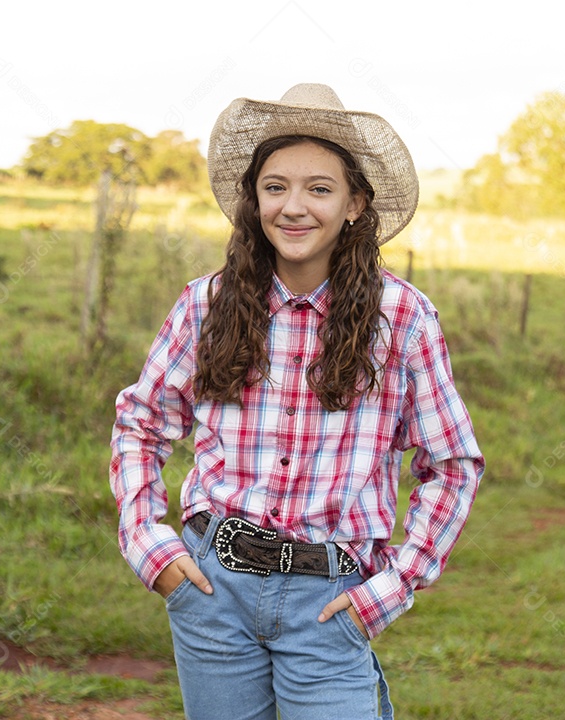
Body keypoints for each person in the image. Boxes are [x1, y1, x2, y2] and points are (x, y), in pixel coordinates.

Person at [109, 83, 484, 720]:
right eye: (275, 186)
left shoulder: (403, 318)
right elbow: (141, 423)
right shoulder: (206, 304)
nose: (294, 207)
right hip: (211, 590)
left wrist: (390, 589)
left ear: (355, 204)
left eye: (319, 187)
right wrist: (150, 544)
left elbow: (452, 464)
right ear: (254, 200)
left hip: (332, 601)